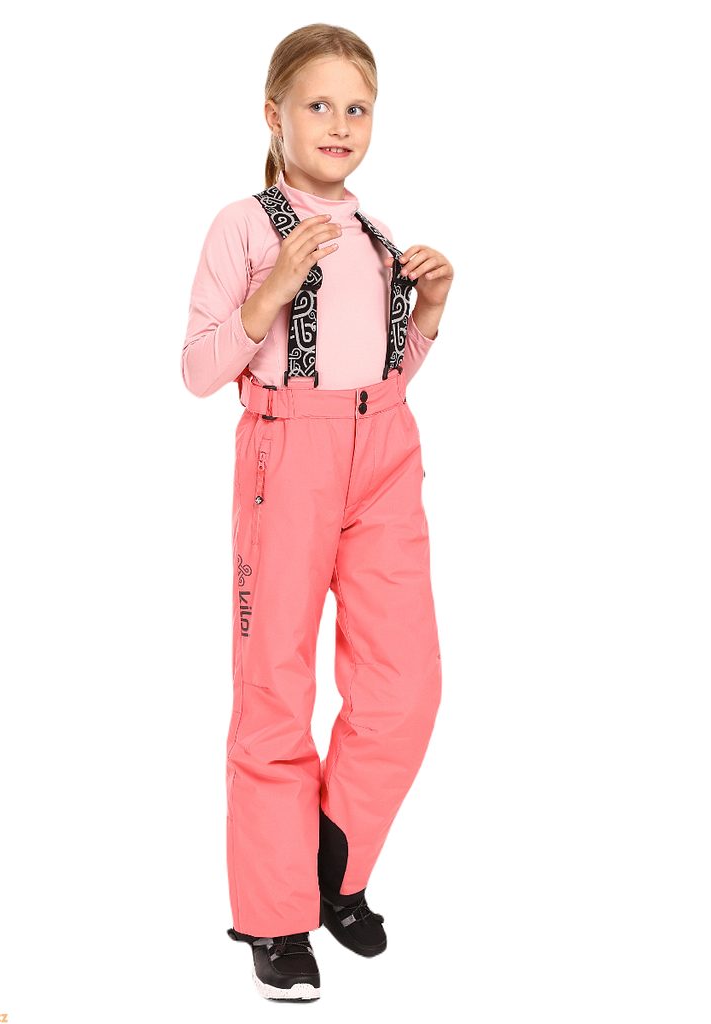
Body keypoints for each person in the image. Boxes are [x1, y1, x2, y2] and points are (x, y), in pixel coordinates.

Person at [182, 23, 454, 1002]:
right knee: (275, 686)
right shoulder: (244, 225)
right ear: (274, 115)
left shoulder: (377, 233)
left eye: (357, 107)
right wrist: (272, 291)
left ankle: (333, 867)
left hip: (384, 448)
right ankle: (274, 916)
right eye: (318, 104)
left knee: (406, 686)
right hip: (286, 451)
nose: (339, 123)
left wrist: (427, 315)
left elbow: (383, 373)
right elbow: (198, 369)